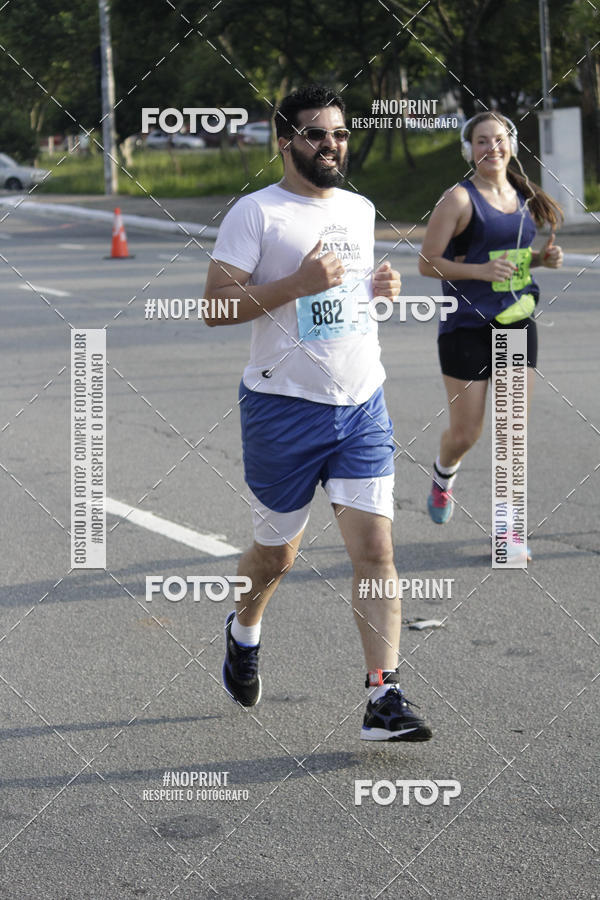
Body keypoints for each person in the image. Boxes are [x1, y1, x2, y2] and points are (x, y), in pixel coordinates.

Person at [203, 84, 432, 742]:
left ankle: (383, 695)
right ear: (286, 142)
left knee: (377, 549)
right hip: (282, 409)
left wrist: (378, 289)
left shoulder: (359, 209)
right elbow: (215, 306)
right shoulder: (256, 213)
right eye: (316, 133)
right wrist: (295, 284)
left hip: (361, 403)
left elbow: (343, 297)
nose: (332, 144)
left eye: (340, 133)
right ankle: (244, 630)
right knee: (277, 556)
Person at [418, 111, 563, 558]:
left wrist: (539, 260)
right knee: (466, 433)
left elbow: (510, 258)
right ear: (469, 150)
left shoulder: (523, 195)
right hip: (465, 326)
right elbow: (427, 262)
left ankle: (508, 532)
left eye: (499, 139)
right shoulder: (458, 200)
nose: (492, 148)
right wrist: (480, 271)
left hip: (516, 318)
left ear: (511, 145)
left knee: (512, 429)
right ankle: (444, 473)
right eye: (482, 141)